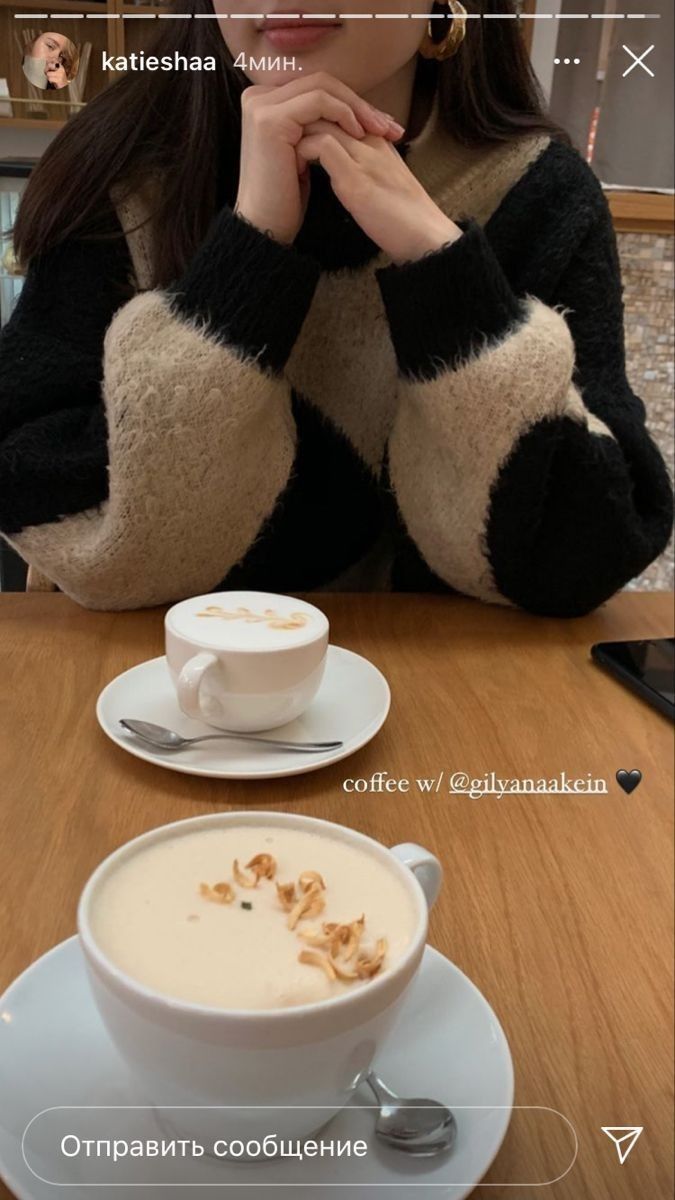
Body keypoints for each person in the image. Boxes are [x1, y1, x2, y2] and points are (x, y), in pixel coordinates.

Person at [1, 0, 672, 614]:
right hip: (148, 701)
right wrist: (247, 256)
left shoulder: (540, 195)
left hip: (441, 707)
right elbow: (76, 538)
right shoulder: (119, 174)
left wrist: (439, 262)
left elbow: (578, 563)